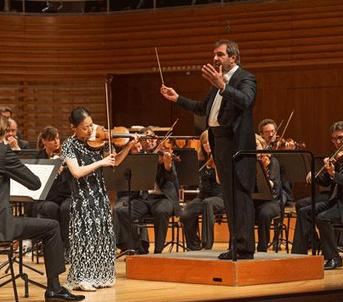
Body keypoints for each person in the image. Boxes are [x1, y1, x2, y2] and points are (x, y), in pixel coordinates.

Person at [0, 110, 85, 302]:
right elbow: (34, 183)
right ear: (3, 132)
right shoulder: (1, 152)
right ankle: (54, 288)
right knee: (51, 227)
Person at [160, 39, 257, 260]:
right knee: (230, 198)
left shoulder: (245, 78)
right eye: (214, 54)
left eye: (220, 55)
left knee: (239, 197)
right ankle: (237, 246)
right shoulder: (217, 82)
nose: (215, 58)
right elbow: (203, 108)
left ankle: (244, 249)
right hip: (220, 143)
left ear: (233, 57)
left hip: (236, 145)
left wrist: (223, 85)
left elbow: (247, 101)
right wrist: (177, 98)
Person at [61, 107, 136, 292]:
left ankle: (100, 276)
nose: (90, 130)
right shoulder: (68, 145)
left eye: (91, 125)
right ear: (74, 127)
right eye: (85, 127)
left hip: (100, 197)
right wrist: (100, 162)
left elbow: (115, 162)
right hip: (83, 199)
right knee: (84, 238)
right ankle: (82, 278)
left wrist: (128, 146)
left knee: (101, 237)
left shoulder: (97, 142)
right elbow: (77, 172)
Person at [291, 121, 343, 270]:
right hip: (338, 201)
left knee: (323, 218)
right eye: (334, 139)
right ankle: (298, 255)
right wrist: (316, 174)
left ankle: (333, 258)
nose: (337, 142)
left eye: (341, 137)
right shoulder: (340, 157)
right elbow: (327, 182)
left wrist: (333, 173)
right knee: (304, 212)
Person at [114, 126, 180, 254]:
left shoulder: (163, 155)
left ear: (156, 139)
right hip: (145, 199)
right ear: (141, 143)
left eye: (152, 139)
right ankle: (137, 249)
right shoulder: (139, 158)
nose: (150, 142)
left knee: (161, 210)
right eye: (146, 140)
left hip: (163, 198)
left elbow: (172, 178)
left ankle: (158, 252)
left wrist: (167, 166)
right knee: (122, 211)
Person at [180, 130, 224, 250]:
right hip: (204, 196)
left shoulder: (222, 158)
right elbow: (202, 184)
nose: (208, 145)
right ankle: (194, 246)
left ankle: (207, 244)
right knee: (185, 213)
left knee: (207, 203)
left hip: (221, 197)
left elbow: (222, 183)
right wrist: (208, 167)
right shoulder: (200, 162)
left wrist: (215, 168)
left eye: (210, 142)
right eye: (205, 143)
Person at [34, 126, 72, 258]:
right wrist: (50, 168)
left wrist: (64, 169)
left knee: (66, 208)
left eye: (57, 138)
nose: (56, 142)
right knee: (51, 208)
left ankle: (68, 249)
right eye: (51, 139)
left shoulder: (66, 156)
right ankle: (54, 249)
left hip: (65, 195)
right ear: (44, 141)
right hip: (47, 197)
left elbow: (71, 180)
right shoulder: (39, 158)